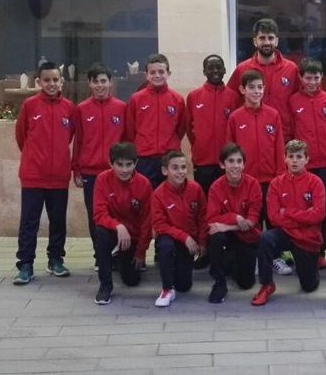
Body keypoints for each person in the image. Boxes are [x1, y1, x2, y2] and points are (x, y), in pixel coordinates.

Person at [12, 61, 76, 285]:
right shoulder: (29, 105)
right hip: (33, 176)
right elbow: (22, 137)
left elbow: (69, 138)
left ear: (62, 82)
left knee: (58, 221)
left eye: (55, 80)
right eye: (46, 80)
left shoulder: (69, 108)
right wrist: (34, 159)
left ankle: (56, 260)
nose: (51, 84)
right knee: (29, 222)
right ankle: (25, 264)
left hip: (59, 176)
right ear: (38, 82)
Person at [252, 140, 326, 306]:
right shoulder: (276, 184)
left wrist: (289, 212)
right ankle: (266, 285)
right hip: (286, 234)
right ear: (284, 159)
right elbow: (273, 217)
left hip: (307, 238)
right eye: (290, 156)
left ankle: (310, 267)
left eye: (299, 157)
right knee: (265, 238)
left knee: (309, 286)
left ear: (306, 159)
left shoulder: (316, 183)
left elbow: (319, 214)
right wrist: (303, 217)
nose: (294, 160)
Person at [72, 64, 126, 270]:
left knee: (118, 215)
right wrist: (76, 169)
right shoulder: (82, 109)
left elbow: (127, 140)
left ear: (110, 83)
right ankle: (100, 256)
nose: (100, 85)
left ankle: (118, 255)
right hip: (90, 172)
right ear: (90, 84)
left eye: (104, 81)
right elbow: (78, 141)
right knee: (95, 216)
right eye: (96, 81)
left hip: (116, 173)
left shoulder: (121, 107)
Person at [91, 142, 153, 305]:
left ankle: (119, 258)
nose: (125, 170)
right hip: (113, 231)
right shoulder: (102, 180)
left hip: (132, 238)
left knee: (132, 280)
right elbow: (99, 214)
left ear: (136, 163)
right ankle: (105, 285)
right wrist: (118, 226)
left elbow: (147, 221)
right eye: (119, 165)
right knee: (101, 233)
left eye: (129, 165)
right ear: (111, 163)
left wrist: (141, 252)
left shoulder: (144, 184)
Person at [288, 58, 326, 269]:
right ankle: (300, 248)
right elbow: (290, 131)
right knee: (302, 207)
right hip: (303, 163)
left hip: (325, 161)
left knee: (321, 209)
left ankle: (320, 250)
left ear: (321, 78)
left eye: (316, 78)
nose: (312, 82)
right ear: (300, 78)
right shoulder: (293, 101)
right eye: (308, 77)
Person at [205, 143, 263, 304]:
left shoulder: (253, 185)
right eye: (231, 161)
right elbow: (211, 219)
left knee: (246, 283)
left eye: (239, 161)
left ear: (244, 164)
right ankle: (219, 283)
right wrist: (235, 217)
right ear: (222, 165)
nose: (235, 166)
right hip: (228, 235)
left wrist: (228, 225)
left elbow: (252, 220)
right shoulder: (216, 187)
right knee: (214, 234)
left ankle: (234, 260)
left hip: (247, 235)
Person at [227, 18, 299, 140]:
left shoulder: (291, 69)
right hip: (250, 134)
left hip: (284, 135)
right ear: (255, 41)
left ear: (276, 41)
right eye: (262, 38)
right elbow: (231, 100)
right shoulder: (242, 69)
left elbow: (299, 101)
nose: (266, 42)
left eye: (270, 38)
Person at [152, 150, 207, 308]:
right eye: (175, 168)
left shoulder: (195, 189)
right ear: (165, 171)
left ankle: (177, 271)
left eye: (183, 167)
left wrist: (202, 243)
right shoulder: (158, 194)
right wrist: (184, 236)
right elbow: (159, 225)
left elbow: (203, 218)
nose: (180, 171)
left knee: (184, 286)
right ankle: (167, 289)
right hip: (170, 238)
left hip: (189, 243)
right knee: (165, 246)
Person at [124, 53, 186, 189]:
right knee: (145, 198)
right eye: (152, 72)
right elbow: (130, 129)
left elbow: (180, 129)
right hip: (144, 158)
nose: (157, 75)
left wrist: (170, 143)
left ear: (168, 73)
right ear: (146, 75)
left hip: (169, 157)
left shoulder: (178, 100)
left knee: (170, 197)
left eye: (161, 71)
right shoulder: (136, 99)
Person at [186, 54, 240, 194]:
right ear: (204, 72)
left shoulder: (233, 97)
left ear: (224, 70)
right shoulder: (193, 96)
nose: (215, 71)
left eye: (218, 67)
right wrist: (199, 144)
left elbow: (236, 128)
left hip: (227, 161)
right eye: (210, 68)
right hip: (203, 161)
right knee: (204, 201)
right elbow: (187, 127)